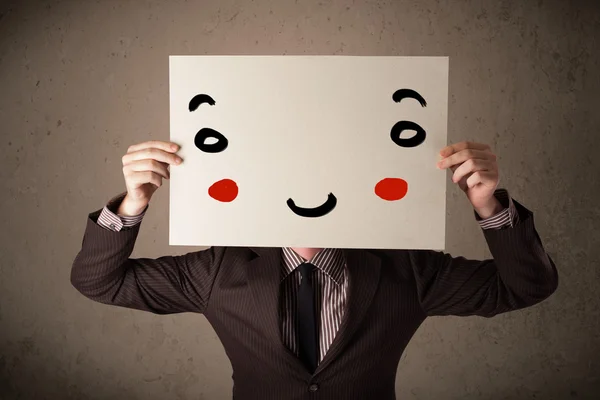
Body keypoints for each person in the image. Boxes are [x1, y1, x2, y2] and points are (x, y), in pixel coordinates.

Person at [71, 140, 558, 400]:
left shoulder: (406, 267)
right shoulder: (221, 268)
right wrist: (133, 203)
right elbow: (99, 281)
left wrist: (487, 203)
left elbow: (524, 287)